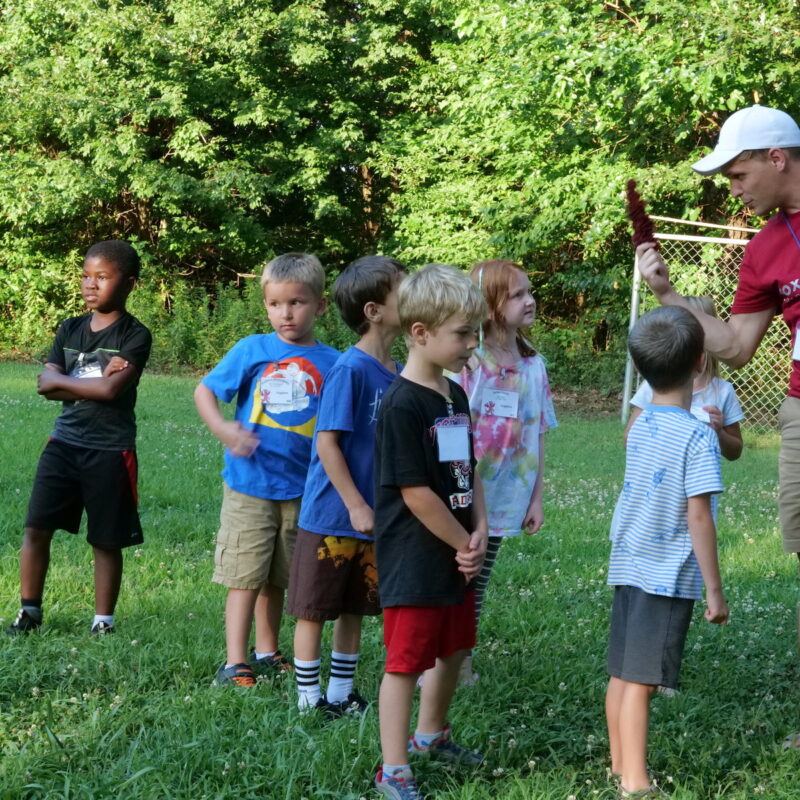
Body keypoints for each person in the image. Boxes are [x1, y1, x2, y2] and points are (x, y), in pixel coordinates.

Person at [635, 105, 800, 748]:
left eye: (737, 173)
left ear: (776, 158)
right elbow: (733, 346)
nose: (732, 188)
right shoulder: (765, 248)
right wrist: (669, 295)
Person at [194, 253, 339, 687]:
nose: (286, 313)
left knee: (280, 576)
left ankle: (266, 650)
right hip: (250, 486)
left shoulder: (334, 362)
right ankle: (234, 662)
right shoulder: (252, 349)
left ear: (321, 305)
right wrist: (223, 428)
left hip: (303, 489)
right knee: (245, 574)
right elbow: (206, 391)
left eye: (297, 302)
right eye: (275, 304)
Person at [373, 263, 489, 800]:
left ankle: (430, 736)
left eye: (475, 332)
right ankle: (393, 768)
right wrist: (461, 543)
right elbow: (416, 493)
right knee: (405, 662)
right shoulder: (401, 404)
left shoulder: (455, 394)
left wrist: (480, 527)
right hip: (418, 556)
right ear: (421, 334)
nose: (473, 344)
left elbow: (469, 466)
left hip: (457, 551)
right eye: (463, 334)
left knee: (453, 648)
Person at [606, 306, 729, 799]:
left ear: (639, 368)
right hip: (666, 571)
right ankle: (636, 784)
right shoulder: (699, 434)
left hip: (628, 560)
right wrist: (714, 590)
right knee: (642, 682)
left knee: (622, 673)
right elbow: (698, 516)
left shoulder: (639, 426)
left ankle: (620, 765)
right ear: (701, 362)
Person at [7, 240, 152, 636]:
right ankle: (29, 612)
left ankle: (103, 622)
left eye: (102, 277)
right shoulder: (70, 328)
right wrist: (93, 377)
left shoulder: (134, 335)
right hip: (63, 444)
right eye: (86, 276)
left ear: (129, 283)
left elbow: (109, 393)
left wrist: (64, 380)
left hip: (110, 449)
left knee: (106, 539)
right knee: (37, 527)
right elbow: (44, 385)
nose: (91, 284)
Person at [287, 255, 406, 715]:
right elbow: (328, 445)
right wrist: (355, 505)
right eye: (404, 290)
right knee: (314, 608)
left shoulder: (397, 372)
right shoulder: (350, 370)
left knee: (357, 604)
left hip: (374, 516)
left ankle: (340, 692)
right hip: (334, 514)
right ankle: (307, 698)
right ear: (374, 310)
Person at [453, 259, 557, 685]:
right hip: (464, 494)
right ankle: (442, 662)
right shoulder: (469, 362)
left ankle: (461, 661)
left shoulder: (534, 364)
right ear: (491, 304)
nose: (530, 300)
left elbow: (539, 432)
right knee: (457, 576)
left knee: (479, 578)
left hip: (507, 497)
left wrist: (535, 497)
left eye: (529, 291)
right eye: (517, 295)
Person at [626, 296, 744, 463]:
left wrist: (718, 432)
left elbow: (735, 452)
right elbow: (629, 439)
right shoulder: (653, 385)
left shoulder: (723, 391)